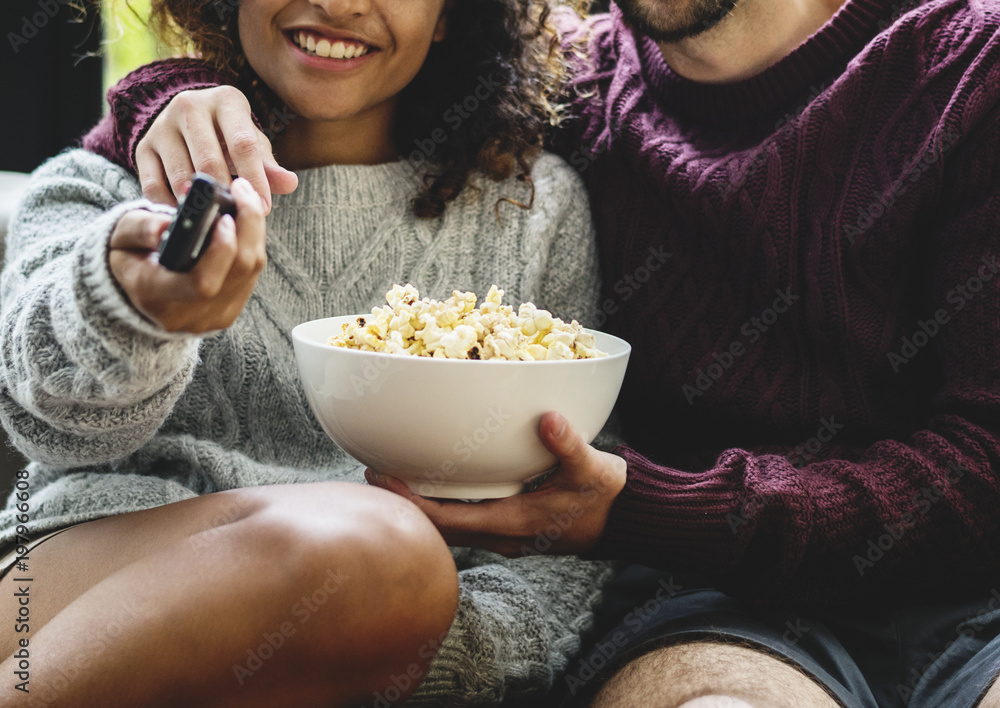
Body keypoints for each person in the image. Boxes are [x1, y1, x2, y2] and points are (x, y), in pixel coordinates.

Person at [69, 0, 1000, 705]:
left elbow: (986, 464)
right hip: (726, 612)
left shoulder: (969, 65)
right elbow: (336, 63)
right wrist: (181, 97)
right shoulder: (579, 84)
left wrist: (655, 508)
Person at [0, 0, 622, 706]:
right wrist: (134, 315)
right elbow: (46, 419)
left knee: (386, 552)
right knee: (386, 545)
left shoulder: (535, 211)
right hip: (73, 572)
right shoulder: (109, 189)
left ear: (450, 15)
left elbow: (564, 521)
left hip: (380, 623)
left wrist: (394, 628)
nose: (342, 3)